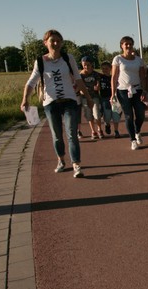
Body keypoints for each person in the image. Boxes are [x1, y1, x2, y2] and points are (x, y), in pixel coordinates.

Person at [20, 29, 88, 178]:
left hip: (70, 100)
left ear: (62, 43)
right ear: (45, 43)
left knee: (72, 134)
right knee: (57, 135)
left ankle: (76, 164)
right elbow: (31, 82)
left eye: (58, 41)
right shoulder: (40, 62)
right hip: (51, 103)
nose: (56, 43)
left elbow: (78, 78)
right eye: (52, 41)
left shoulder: (68, 58)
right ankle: (61, 160)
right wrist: (25, 99)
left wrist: (88, 97)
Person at [111, 36, 148, 150]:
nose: (128, 46)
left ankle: (137, 131)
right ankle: (133, 140)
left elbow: (142, 77)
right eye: (126, 44)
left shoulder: (138, 60)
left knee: (141, 114)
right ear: (121, 46)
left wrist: (144, 90)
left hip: (137, 90)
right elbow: (114, 77)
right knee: (128, 116)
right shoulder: (118, 59)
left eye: (130, 44)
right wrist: (112, 94)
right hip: (123, 91)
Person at [79, 57, 101, 139]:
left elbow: (98, 84)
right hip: (85, 98)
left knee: (96, 114)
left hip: (94, 96)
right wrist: (81, 91)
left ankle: (99, 129)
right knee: (88, 115)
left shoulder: (95, 74)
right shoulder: (81, 75)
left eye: (88, 65)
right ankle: (93, 131)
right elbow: (79, 86)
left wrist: (98, 87)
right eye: (84, 65)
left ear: (91, 64)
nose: (86, 66)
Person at [98, 61, 120, 138]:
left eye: (106, 68)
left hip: (114, 98)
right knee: (107, 115)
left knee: (115, 115)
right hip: (104, 98)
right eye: (103, 69)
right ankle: (107, 124)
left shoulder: (113, 77)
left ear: (110, 69)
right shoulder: (100, 77)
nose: (105, 70)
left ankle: (116, 130)